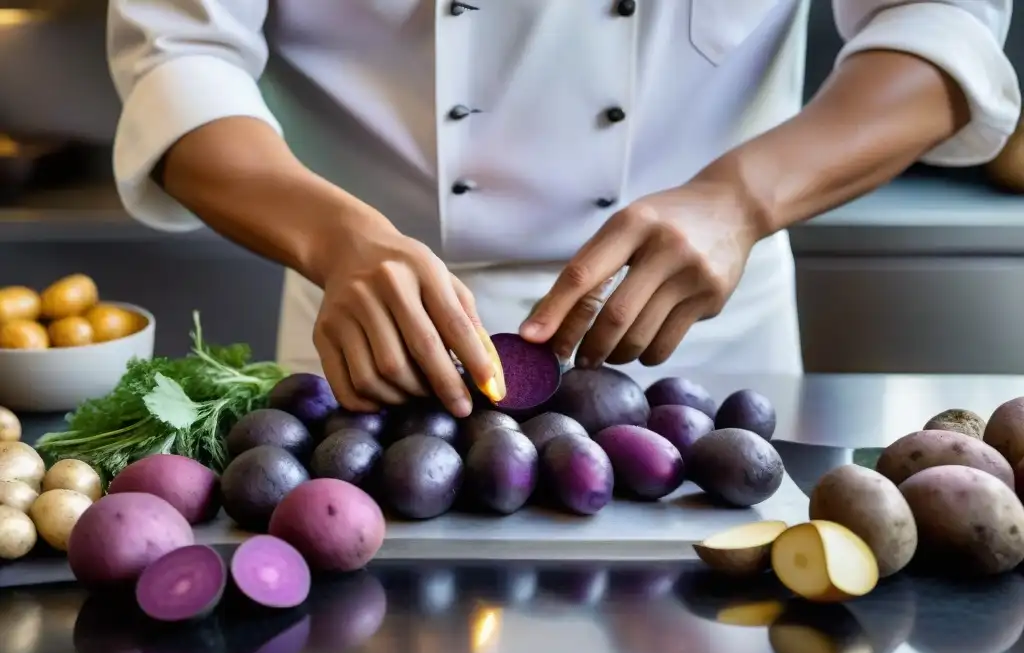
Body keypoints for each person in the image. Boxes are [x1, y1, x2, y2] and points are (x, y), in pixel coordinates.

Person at [107, 0, 1019, 416]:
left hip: (699, 349)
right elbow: (180, 59)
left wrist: (740, 198)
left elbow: (940, 26)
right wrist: (334, 236)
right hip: (371, 348)